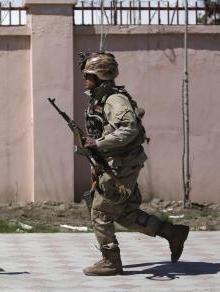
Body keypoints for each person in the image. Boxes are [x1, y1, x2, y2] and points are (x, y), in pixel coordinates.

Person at [79, 52, 189, 276]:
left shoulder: (114, 100)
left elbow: (130, 129)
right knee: (125, 213)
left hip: (121, 166)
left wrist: (98, 143)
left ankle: (111, 262)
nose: (85, 80)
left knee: (100, 212)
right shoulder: (102, 99)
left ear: (101, 77)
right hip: (117, 164)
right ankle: (172, 233)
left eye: (88, 76)